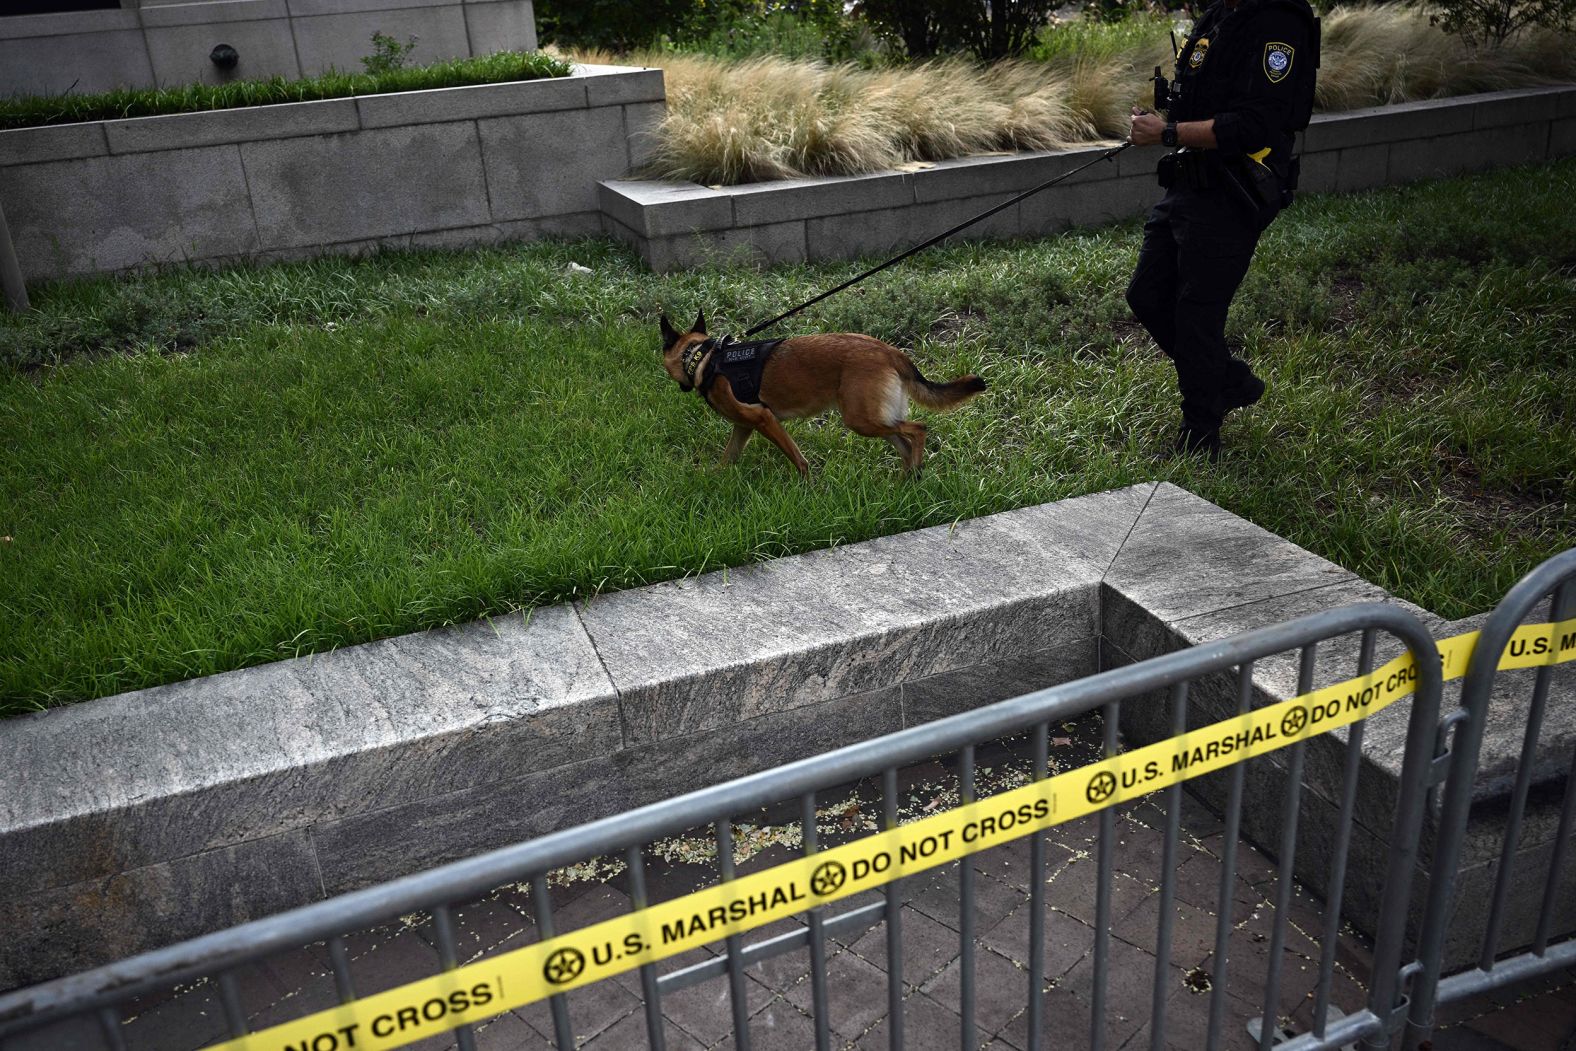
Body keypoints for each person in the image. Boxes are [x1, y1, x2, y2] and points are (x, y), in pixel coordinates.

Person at [1125, 0, 1319, 458]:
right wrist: (1163, 120)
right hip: (1190, 184)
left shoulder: (1278, 23)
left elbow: (1256, 125)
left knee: (1197, 314)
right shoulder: (1219, 15)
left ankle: (1200, 436)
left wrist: (1167, 134)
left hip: (1234, 193)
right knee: (1147, 294)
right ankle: (1227, 380)